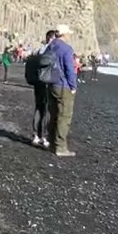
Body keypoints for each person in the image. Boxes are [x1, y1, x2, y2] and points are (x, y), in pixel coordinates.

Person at [45, 25, 78, 156]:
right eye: (68, 33)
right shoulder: (66, 49)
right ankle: (60, 147)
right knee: (64, 116)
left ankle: (52, 143)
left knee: (53, 114)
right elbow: (69, 69)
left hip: (51, 83)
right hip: (63, 85)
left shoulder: (50, 46)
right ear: (64, 34)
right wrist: (73, 86)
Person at [24, 30, 56, 148]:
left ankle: (35, 135)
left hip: (37, 82)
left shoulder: (39, 50)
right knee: (46, 110)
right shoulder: (49, 50)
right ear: (51, 39)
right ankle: (43, 136)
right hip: (46, 82)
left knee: (38, 107)